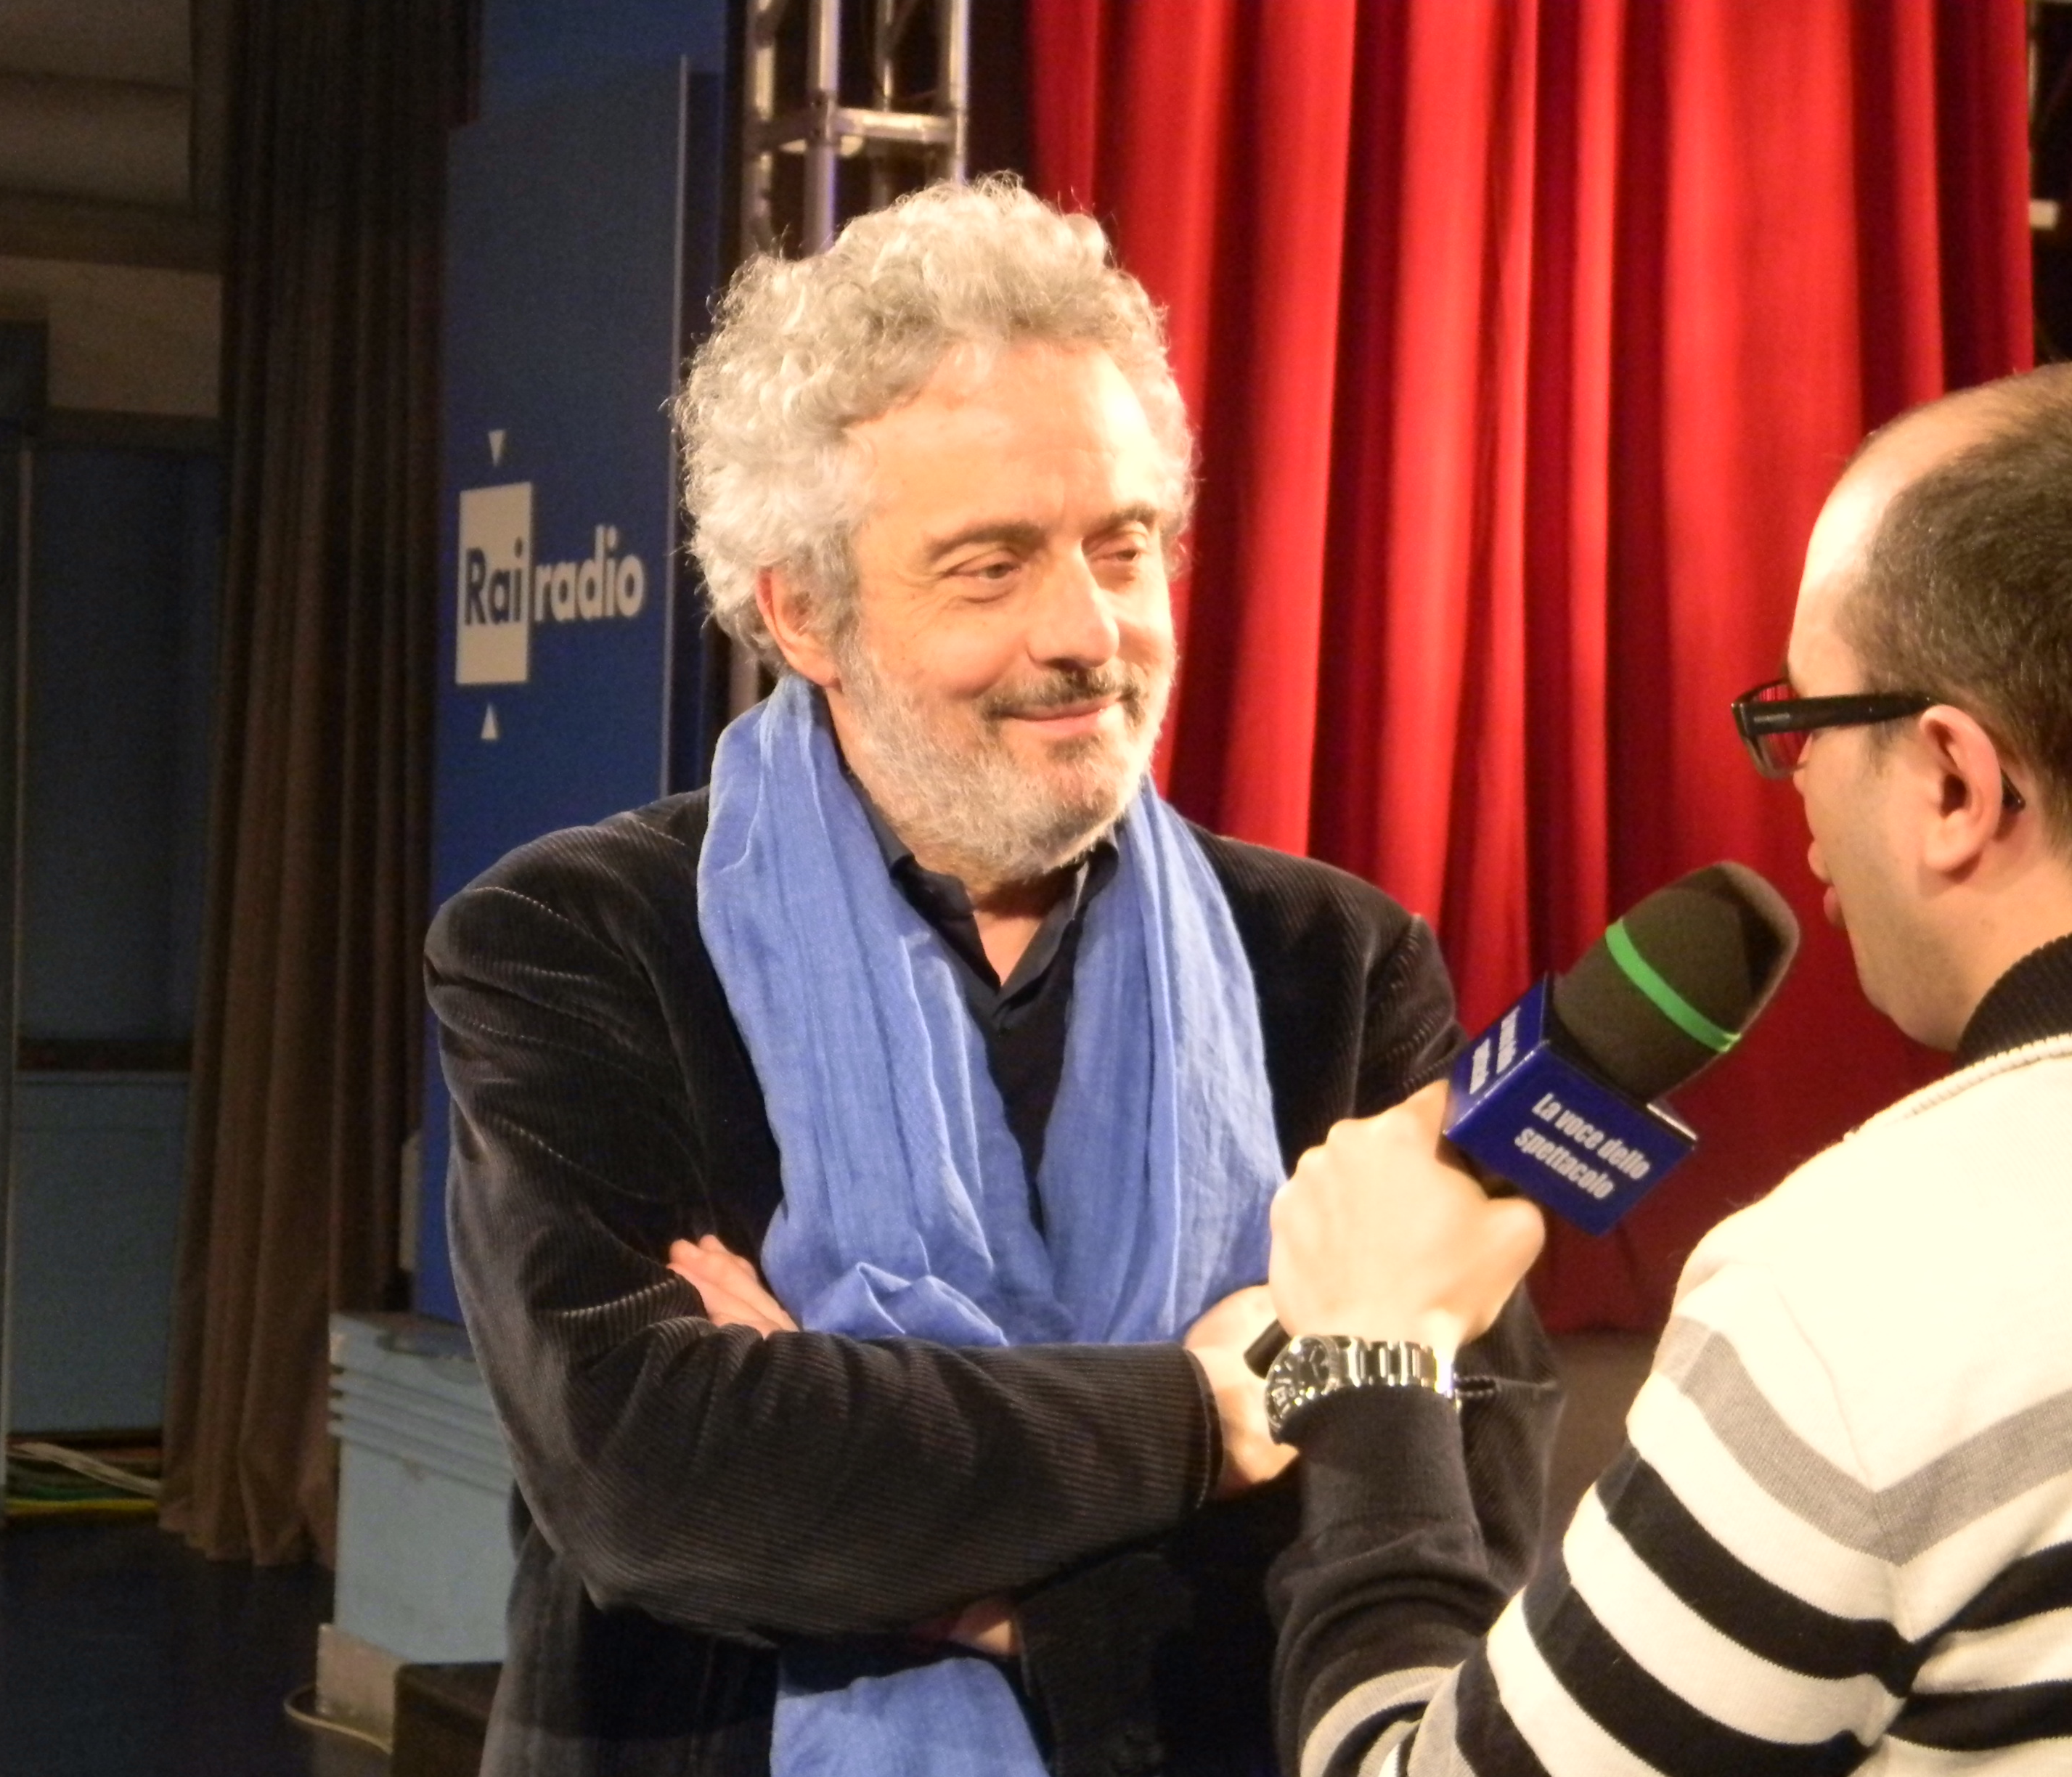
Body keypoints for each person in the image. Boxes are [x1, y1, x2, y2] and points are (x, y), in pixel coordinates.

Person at [426, 176, 1559, 1777]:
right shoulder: (578, 944)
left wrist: (932, 1543)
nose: (1088, 630)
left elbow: (1459, 1515)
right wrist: (1211, 1414)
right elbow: (662, 1481)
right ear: (803, 610)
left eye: (1124, 547)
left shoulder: (1342, 966)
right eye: (991, 566)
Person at [1257, 365, 2072, 1774]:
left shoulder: (1864, 1296)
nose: (1796, 780)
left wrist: (1371, 1359)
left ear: (1954, 782)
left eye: (1805, 721)